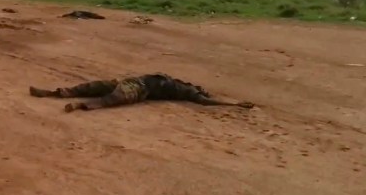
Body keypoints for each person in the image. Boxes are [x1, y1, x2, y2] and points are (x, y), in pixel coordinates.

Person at [29, 73, 254, 112]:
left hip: (140, 89)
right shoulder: (179, 83)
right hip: (132, 81)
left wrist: (232, 105)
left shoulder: (187, 92)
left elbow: (206, 102)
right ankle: (52, 93)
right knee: (92, 86)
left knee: (112, 98)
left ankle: (81, 105)